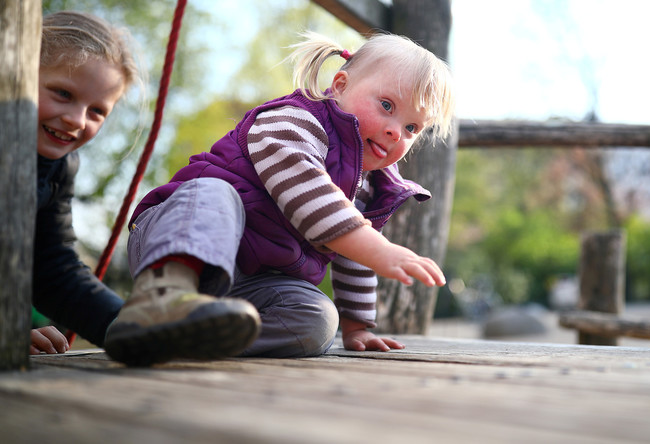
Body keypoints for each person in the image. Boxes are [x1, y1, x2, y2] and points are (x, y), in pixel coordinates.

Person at [104, 31, 456, 367]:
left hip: (249, 284)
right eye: (386, 105)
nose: (397, 131)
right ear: (340, 86)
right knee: (214, 192)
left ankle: (192, 335)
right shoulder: (293, 123)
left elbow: (355, 248)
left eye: (412, 128)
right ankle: (161, 298)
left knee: (317, 320)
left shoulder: (370, 184)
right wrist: (379, 250)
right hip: (173, 241)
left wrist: (356, 325)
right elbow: (315, 202)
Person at [30, 11, 141, 354]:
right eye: (62, 93)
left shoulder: (59, 166)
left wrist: (131, 328)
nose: (76, 120)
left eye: (97, 111)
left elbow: (53, 268)